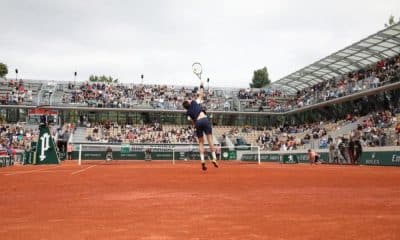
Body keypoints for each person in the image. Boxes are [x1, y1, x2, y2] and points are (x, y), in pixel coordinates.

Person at [182, 82, 218, 171]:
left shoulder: (187, 113)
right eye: (189, 100)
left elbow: (192, 122)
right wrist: (201, 86)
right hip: (205, 119)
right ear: (189, 103)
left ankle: (202, 160)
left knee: (201, 143)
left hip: (197, 123)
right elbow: (201, 95)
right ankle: (214, 158)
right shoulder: (194, 102)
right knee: (210, 140)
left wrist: (196, 124)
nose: (190, 100)